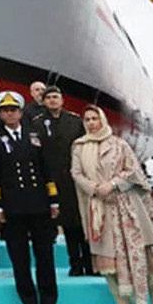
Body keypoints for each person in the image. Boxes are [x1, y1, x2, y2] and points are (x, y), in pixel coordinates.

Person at [71, 106, 153, 304]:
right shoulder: (79, 147)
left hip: (127, 207)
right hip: (99, 209)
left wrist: (113, 184)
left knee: (139, 255)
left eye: (95, 118)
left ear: (102, 120)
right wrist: (94, 188)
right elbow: (76, 173)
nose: (91, 123)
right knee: (108, 262)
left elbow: (134, 171)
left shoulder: (120, 144)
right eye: (87, 119)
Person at [0, 92, 65, 304]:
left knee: (45, 258)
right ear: (0, 114)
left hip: (39, 204)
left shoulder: (35, 136)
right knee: (20, 260)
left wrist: (53, 200)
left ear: (21, 112)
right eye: (5, 110)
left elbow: (46, 170)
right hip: (13, 208)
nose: (10, 114)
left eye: (13, 110)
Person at [33, 86, 93, 276]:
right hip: (54, 180)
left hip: (76, 178)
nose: (52, 100)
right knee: (67, 225)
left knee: (83, 222)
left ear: (62, 99)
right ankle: (75, 264)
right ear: (43, 101)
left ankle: (90, 264)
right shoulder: (37, 124)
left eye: (55, 97)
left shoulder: (75, 121)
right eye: (48, 97)